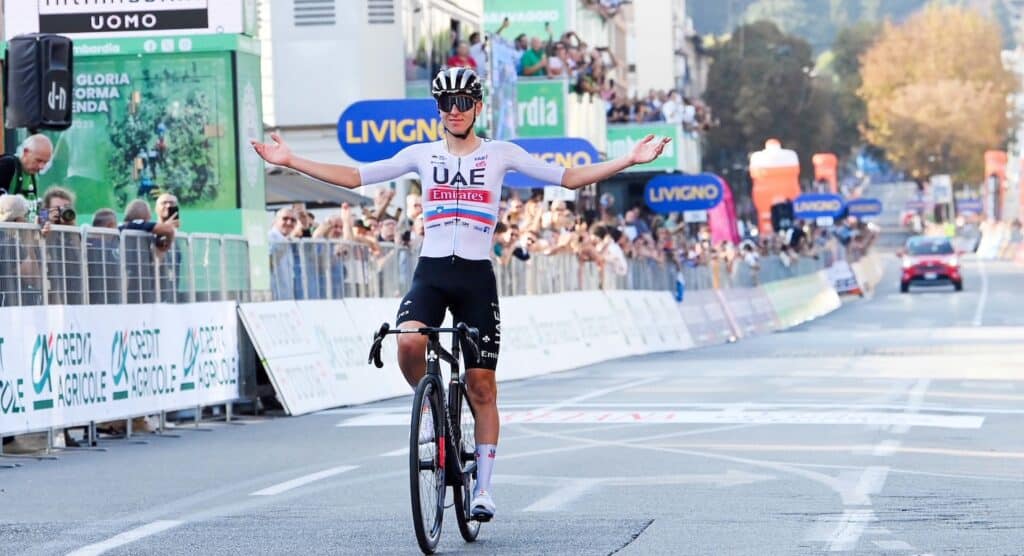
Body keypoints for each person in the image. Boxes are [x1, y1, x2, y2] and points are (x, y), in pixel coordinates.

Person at [251, 67, 670, 522]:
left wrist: (627, 160)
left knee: (481, 387)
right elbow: (354, 176)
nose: (454, 111)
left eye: (463, 103)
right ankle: (430, 406)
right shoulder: (422, 155)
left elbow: (567, 177)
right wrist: (291, 160)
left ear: (476, 107)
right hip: (431, 272)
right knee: (408, 341)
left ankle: (484, 490)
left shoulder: (500, 154)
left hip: (475, 278)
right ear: (439, 110)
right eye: (446, 104)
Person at [0, 134, 53, 199]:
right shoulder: (7, 165)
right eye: (38, 160)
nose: (41, 167)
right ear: (26, 152)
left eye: (45, 162)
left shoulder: (33, 175)